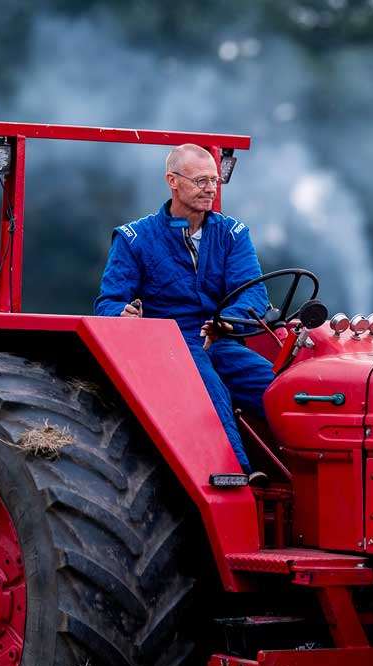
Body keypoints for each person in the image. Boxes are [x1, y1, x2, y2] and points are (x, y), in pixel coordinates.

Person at [94, 144, 275, 473]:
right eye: (201, 180)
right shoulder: (135, 238)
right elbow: (108, 302)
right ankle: (238, 475)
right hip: (169, 347)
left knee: (277, 389)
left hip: (219, 338)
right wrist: (121, 314)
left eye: (215, 181)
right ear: (172, 181)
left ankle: (306, 472)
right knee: (209, 389)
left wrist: (227, 325)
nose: (210, 189)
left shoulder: (233, 235)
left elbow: (252, 294)